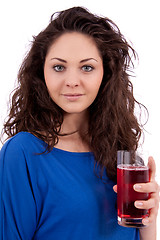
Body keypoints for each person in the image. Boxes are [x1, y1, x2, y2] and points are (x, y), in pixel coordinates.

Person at [0, 6, 159, 240]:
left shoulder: (118, 152)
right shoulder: (22, 153)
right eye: (59, 67)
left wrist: (149, 222)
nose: (72, 81)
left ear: (105, 74)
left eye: (87, 67)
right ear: (41, 72)